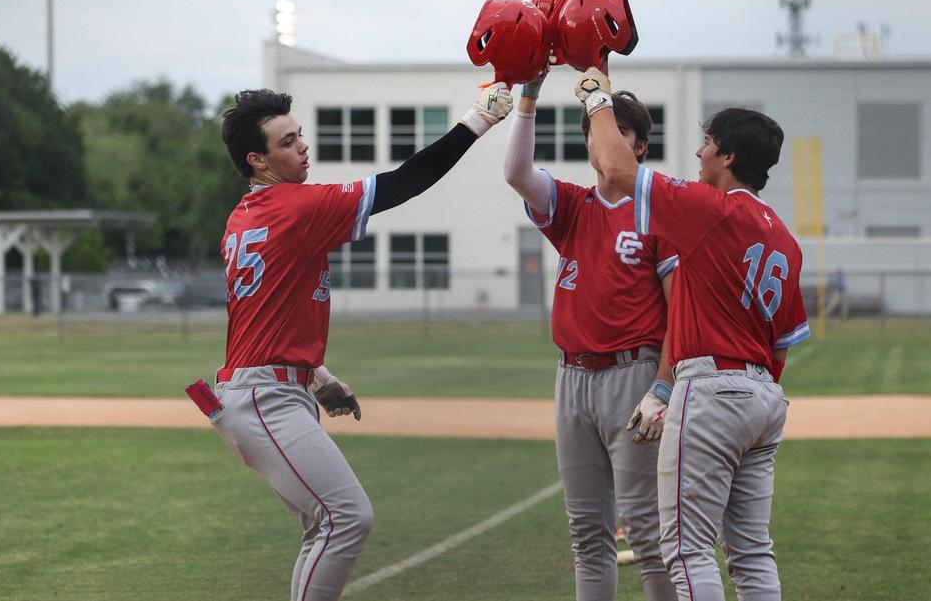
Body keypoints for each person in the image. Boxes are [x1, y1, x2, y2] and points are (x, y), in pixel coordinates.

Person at [209, 83, 512, 601]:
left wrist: (317, 375)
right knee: (348, 517)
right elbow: (403, 183)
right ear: (257, 160)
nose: (302, 146)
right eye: (286, 142)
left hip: (262, 390)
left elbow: (260, 315)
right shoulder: (294, 208)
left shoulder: (245, 214)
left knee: (323, 524)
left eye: (299, 135)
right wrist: (477, 121)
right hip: (266, 398)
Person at [575, 68, 809, 601]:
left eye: (708, 143)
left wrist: (596, 96)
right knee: (751, 551)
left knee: (687, 550)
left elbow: (614, 167)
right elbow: (780, 348)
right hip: (765, 398)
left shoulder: (713, 209)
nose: (699, 153)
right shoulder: (787, 241)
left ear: (727, 157)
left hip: (712, 389)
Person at [503, 66, 679, 601]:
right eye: (594, 130)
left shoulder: (658, 211)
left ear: (640, 146)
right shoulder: (573, 204)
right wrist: (528, 97)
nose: (600, 140)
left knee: (648, 536)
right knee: (587, 535)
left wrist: (664, 386)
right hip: (572, 375)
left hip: (634, 375)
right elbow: (516, 171)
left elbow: (681, 315)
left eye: (616, 132)